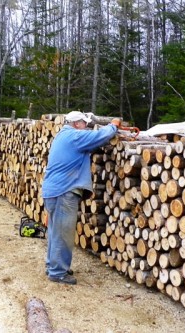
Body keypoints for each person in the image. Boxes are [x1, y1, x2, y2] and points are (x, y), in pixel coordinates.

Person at [42, 111, 121, 285]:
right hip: (63, 191)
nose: (86, 126)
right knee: (64, 234)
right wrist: (113, 125)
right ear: (77, 124)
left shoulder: (63, 135)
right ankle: (57, 272)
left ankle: (53, 266)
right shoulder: (75, 137)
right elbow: (100, 135)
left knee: (56, 232)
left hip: (54, 191)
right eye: (84, 123)